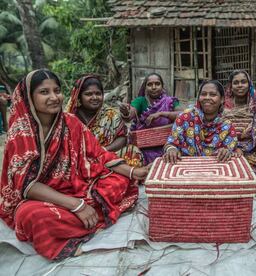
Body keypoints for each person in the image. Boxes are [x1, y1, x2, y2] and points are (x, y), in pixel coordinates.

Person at [0, 69, 148, 260]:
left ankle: (80, 221)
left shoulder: (70, 121)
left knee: (119, 181)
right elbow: (27, 186)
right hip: (40, 197)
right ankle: (81, 221)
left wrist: (134, 172)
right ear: (29, 97)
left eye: (57, 90)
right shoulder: (21, 133)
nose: (54, 97)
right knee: (31, 216)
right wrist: (76, 205)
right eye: (44, 92)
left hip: (75, 186)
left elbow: (99, 154)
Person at [66, 75, 143, 167]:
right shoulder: (70, 117)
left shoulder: (110, 114)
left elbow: (122, 138)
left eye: (98, 93)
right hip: (79, 158)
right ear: (79, 97)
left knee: (133, 152)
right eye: (88, 94)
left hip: (105, 155)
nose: (94, 97)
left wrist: (103, 150)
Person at [163, 80, 238, 164]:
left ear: (222, 99)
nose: (207, 97)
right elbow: (171, 142)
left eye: (213, 94)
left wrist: (226, 152)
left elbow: (231, 151)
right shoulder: (185, 118)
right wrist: (171, 149)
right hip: (184, 168)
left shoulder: (227, 127)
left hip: (215, 171)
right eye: (203, 94)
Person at [120, 73, 181, 164]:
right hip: (144, 148)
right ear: (145, 87)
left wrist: (161, 113)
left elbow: (182, 115)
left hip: (168, 146)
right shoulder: (140, 101)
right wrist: (126, 111)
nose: (153, 87)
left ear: (162, 86)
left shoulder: (169, 101)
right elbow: (131, 114)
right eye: (150, 84)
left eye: (157, 84)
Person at [222, 70, 256, 135]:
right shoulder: (223, 104)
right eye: (236, 83)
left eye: (243, 82)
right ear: (231, 86)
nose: (240, 85)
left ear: (249, 84)